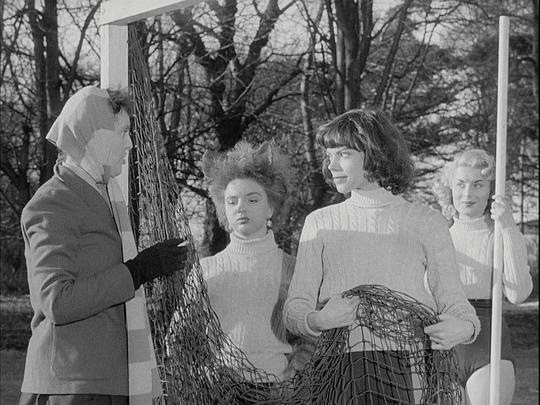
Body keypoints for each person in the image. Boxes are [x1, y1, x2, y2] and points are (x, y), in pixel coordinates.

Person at [283, 108, 480, 404]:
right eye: (329, 155)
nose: (331, 165)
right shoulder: (320, 223)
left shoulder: (426, 222)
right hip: (336, 368)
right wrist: (318, 319)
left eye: (343, 154)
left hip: (407, 367)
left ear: (375, 153)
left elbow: (457, 305)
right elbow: (293, 309)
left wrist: (463, 328)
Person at [19, 86, 187, 405]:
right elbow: (57, 301)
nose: (130, 143)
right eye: (122, 132)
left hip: (106, 382)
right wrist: (137, 271)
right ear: (92, 135)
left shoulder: (106, 198)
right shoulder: (53, 203)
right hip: (72, 386)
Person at [199, 141, 314, 401]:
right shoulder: (206, 269)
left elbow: (311, 337)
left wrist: (290, 380)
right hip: (219, 392)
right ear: (222, 207)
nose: (241, 208)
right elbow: (181, 336)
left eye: (252, 199)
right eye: (232, 201)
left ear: (271, 206)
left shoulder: (294, 268)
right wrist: (202, 373)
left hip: (279, 393)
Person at [433, 148, 532, 405]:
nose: (467, 193)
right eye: (461, 184)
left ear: (492, 192)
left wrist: (508, 225)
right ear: (449, 187)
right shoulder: (436, 237)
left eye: (478, 184)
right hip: (443, 343)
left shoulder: (502, 235)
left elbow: (518, 294)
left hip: (489, 342)